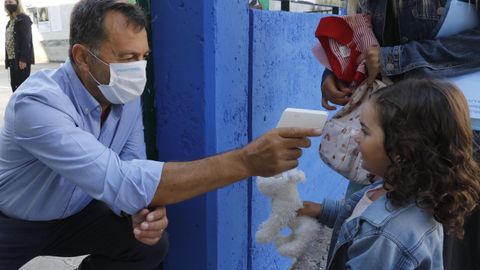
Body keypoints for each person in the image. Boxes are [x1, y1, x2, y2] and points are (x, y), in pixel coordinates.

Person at [0, 0, 321, 269]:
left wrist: (142, 211)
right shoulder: (37, 103)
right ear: (82, 57)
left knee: (148, 245)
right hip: (14, 221)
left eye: (143, 58)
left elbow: (132, 164)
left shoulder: (121, 94)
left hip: (78, 215)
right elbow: (122, 179)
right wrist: (248, 161)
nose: (137, 70)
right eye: (127, 58)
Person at [319, 2, 480, 268]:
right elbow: (364, 32)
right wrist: (337, 72)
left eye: (363, 132)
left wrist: (398, 58)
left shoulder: (394, 234)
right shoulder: (373, 193)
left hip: (447, 123)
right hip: (390, 122)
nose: (355, 139)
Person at [299, 78, 480, 269]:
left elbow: (371, 228)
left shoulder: (385, 238)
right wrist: (319, 210)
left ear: (400, 151)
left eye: (365, 131)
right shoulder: (398, 186)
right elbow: (360, 215)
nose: (355, 136)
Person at [4, 0, 34, 92]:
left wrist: (23, 59)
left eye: (10, 1)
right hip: (12, 60)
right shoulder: (10, 22)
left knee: (22, 88)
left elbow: (26, 40)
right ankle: (17, 106)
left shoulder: (24, 19)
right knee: (15, 88)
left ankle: (25, 106)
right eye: (6, 2)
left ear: (17, 3)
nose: (8, 4)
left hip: (20, 60)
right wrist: (8, 60)